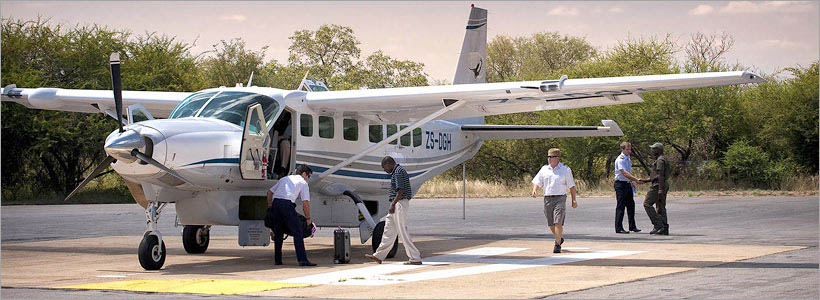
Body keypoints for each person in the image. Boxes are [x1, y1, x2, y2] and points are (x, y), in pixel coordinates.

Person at [365, 156, 422, 265]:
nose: (385, 170)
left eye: (384, 167)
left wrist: (393, 204)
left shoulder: (398, 172)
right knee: (388, 231)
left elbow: (401, 190)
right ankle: (379, 255)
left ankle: (415, 258)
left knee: (402, 231)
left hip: (399, 203)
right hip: (397, 203)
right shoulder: (397, 171)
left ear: (388, 164)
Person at [267, 164, 317, 266]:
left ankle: (278, 260)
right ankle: (302, 260)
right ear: (304, 174)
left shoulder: (285, 178)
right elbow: (305, 203)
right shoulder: (303, 182)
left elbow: (269, 192)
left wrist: (270, 207)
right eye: (309, 176)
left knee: (279, 233)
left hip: (276, 204)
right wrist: (308, 218)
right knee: (298, 232)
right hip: (287, 205)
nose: (308, 179)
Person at [531, 148, 577, 254]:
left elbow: (571, 186)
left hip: (560, 198)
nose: (549, 159)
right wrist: (534, 190)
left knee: (558, 222)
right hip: (547, 198)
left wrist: (574, 200)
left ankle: (557, 245)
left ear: (557, 158)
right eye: (548, 157)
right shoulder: (544, 169)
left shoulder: (565, 169)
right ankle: (559, 238)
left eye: (551, 157)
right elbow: (537, 181)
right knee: (551, 224)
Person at [639, 143, 671, 235]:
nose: (652, 151)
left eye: (654, 149)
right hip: (662, 184)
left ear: (659, 150)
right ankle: (664, 228)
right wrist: (646, 180)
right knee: (660, 206)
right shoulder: (662, 159)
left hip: (658, 185)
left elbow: (660, 175)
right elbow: (657, 175)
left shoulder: (660, 160)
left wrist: (660, 189)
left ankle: (658, 225)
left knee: (647, 204)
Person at [613, 142, 642, 234]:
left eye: (630, 149)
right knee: (621, 206)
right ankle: (619, 228)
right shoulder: (620, 159)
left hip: (627, 183)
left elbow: (628, 172)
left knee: (631, 205)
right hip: (620, 184)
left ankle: (632, 226)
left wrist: (632, 182)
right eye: (627, 149)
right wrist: (636, 179)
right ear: (622, 149)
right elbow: (624, 172)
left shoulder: (628, 158)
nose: (629, 151)